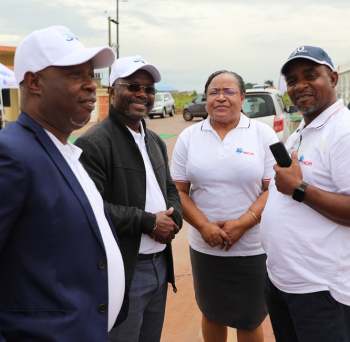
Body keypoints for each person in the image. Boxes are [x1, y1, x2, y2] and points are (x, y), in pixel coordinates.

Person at [0, 25, 128, 342]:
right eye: (75, 75)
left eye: (91, 74)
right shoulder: (11, 154)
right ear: (34, 82)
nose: (90, 85)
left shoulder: (66, 150)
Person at [74, 55, 183, 342]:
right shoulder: (95, 142)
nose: (142, 94)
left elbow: (170, 188)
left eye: (149, 89)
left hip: (160, 264)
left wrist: (175, 221)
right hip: (125, 271)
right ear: (112, 91)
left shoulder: (154, 140)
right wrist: (148, 222)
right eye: (133, 86)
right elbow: (90, 209)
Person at [170, 70, 279, 342]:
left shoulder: (263, 135)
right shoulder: (189, 137)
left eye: (229, 92)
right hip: (206, 247)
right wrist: (205, 226)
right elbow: (179, 191)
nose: (221, 98)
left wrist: (245, 222)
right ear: (205, 99)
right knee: (212, 313)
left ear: (242, 98)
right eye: (213, 92)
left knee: (250, 317)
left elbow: (274, 189)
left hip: (253, 248)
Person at [260, 45, 350, 341]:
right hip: (283, 282)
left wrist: (299, 189)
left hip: (321, 291)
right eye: (292, 80)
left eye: (310, 75)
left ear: (333, 78)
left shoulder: (343, 131)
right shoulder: (304, 128)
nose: (299, 85)